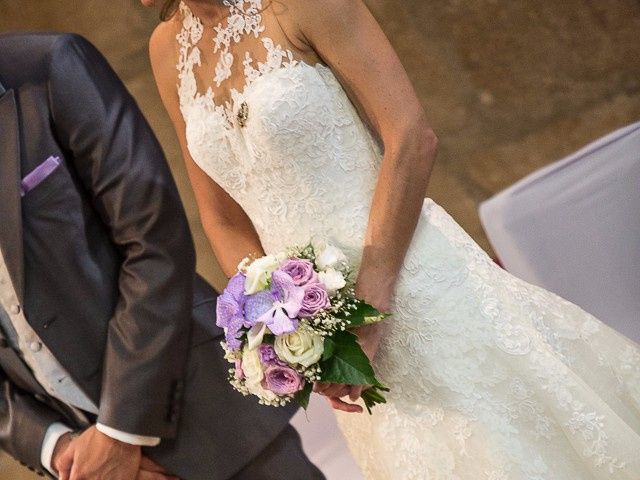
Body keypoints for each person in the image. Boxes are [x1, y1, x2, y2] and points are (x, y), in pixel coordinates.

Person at [145, 0, 640, 478]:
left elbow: (410, 135)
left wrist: (371, 302)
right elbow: (222, 219)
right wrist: (280, 330)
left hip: (414, 283)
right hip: (330, 333)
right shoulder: (167, 50)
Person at [0, 32, 324, 480]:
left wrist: (119, 433)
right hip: (84, 459)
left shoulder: (51, 67)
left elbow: (154, 243)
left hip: (205, 417)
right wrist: (56, 447)